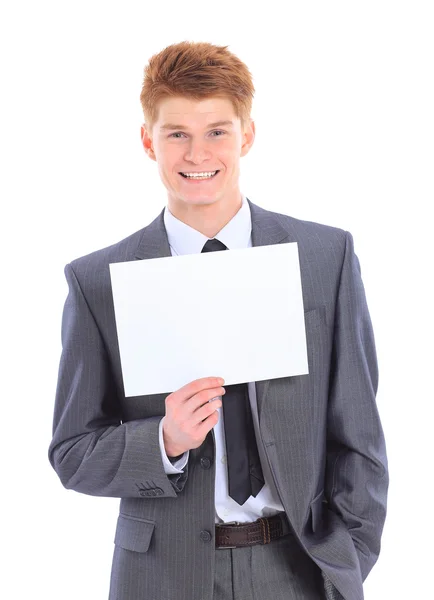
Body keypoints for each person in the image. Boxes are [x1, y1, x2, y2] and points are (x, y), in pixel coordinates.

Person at [48, 40, 388, 600]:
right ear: (146, 141)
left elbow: (360, 436)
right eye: (176, 133)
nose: (196, 153)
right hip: (160, 577)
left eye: (217, 131)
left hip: (298, 567)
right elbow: (71, 452)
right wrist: (164, 440)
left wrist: (347, 559)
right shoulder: (98, 280)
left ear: (247, 135)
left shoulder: (324, 258)